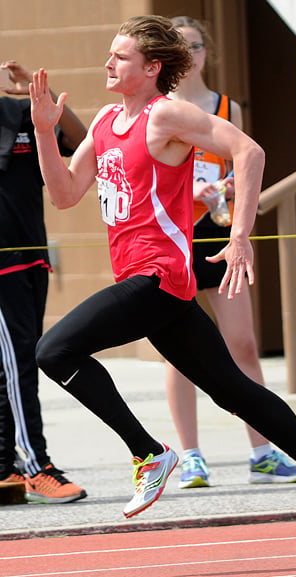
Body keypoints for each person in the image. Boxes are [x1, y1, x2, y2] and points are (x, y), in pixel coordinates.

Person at [30, 15, 296, 557]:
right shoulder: (108, 122)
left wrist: (240, 235)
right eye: (110, 54)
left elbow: (248, 151)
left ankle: (148, 453)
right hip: (142, 281)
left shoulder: (167, 116)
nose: (108, 64)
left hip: (159, 276)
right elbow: (64, 193)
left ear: (152, 67)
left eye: (120, 57)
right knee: (234, 392)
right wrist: (46, 132)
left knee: (54, 349)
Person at [166, 15, 296, 489]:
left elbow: (244, 160)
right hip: (175, 237)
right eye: (178, 46)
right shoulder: (160, 108)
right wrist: (191, 194)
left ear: (207, 51)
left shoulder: (226, 105)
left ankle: (263, 452)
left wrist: (228, 188)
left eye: (196, 45)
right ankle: (190, 456)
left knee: (242, 343)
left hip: (221, 234)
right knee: (178, 352)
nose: (189, 54)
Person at [0, 61, 87, 504]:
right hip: (1, 269)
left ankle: (14, 465)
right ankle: (36, 465)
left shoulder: (19, 114)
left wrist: (35, 96)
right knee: (18, 367)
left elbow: (79, 139)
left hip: (32, 260)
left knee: (17, 365)